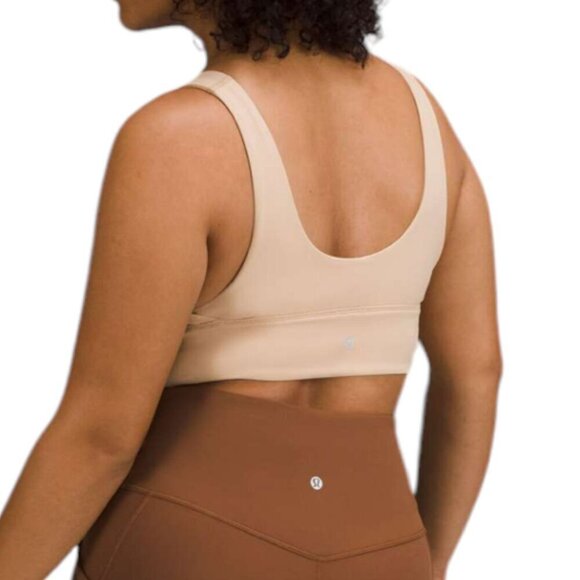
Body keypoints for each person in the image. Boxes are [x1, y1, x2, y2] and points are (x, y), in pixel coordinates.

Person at [0, 1, 502, 579]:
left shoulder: (178, 139)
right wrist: (424, 564)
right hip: (383, 551)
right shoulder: (426, 125)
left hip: (190, 545)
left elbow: (99, 438)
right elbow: (476, 373)